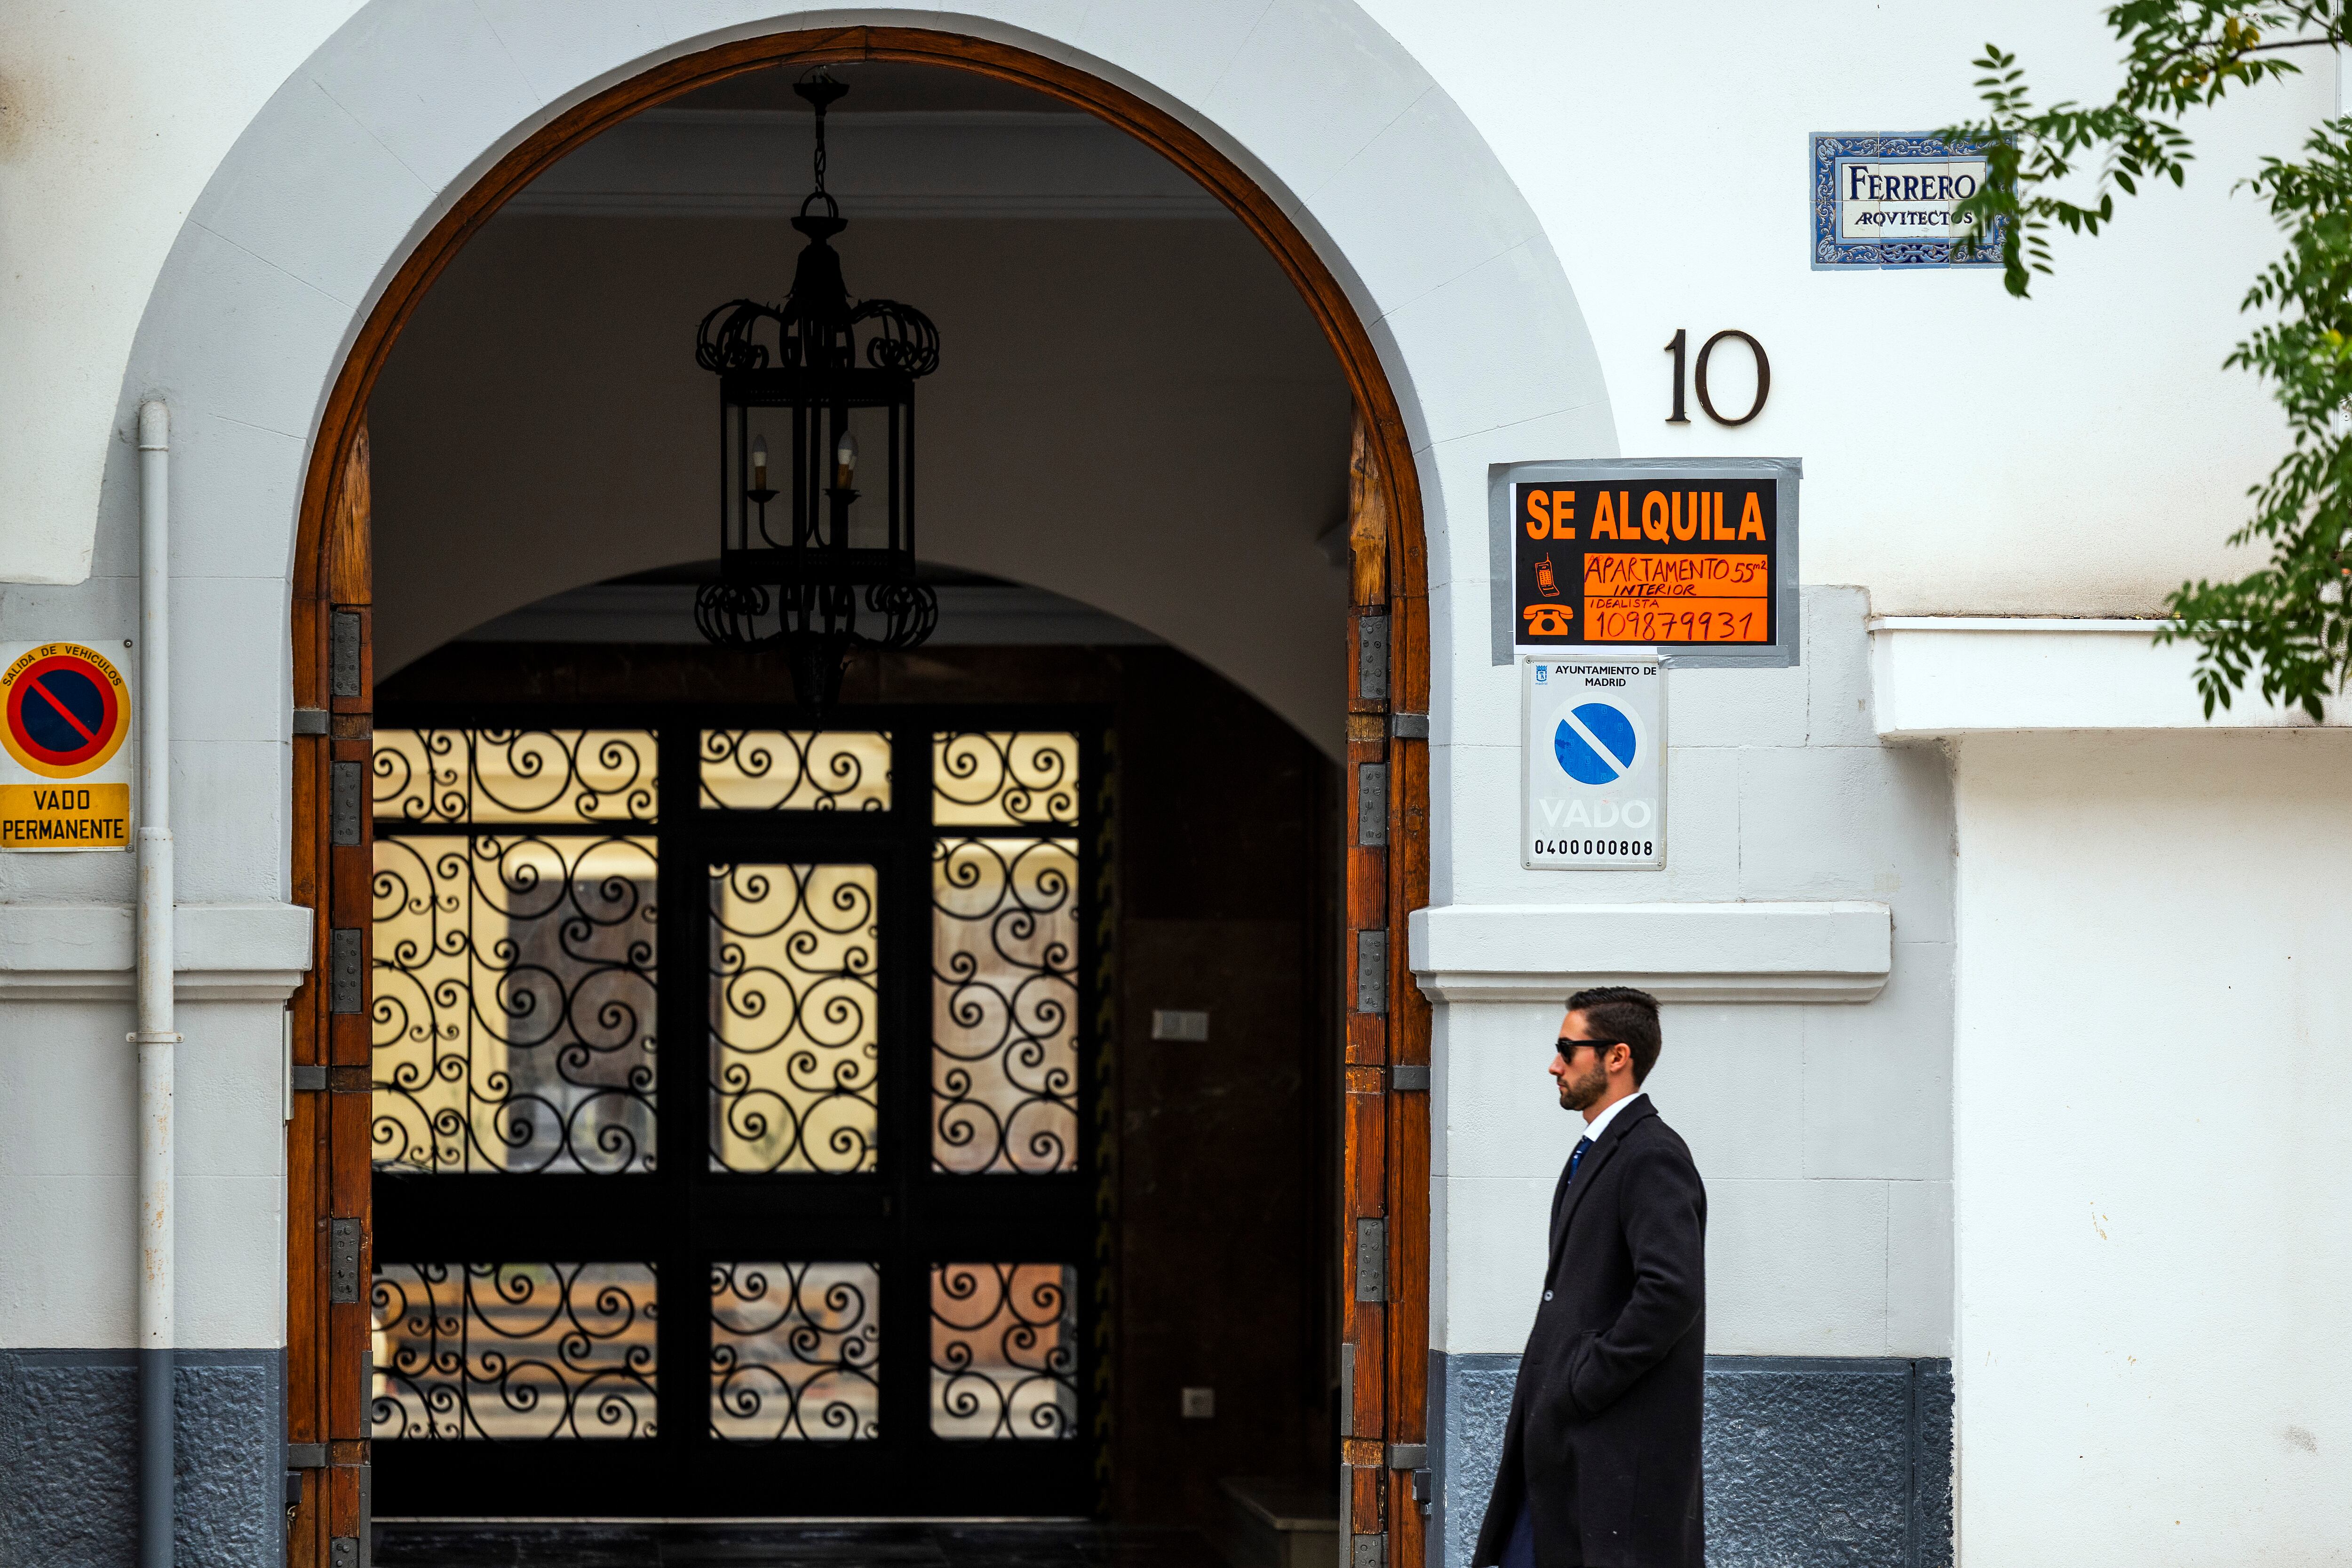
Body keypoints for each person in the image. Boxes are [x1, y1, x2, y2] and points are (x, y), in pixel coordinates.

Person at [1473, 986, 1707, 1568]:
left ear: (1616, 1057)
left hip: (1611, 1448)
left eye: (1566, 1048)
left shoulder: (1651, 1154)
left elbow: (1671, 1292)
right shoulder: (1599, 1151)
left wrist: (1582, 1382)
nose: (1554, 1064)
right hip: (1566, 1445)